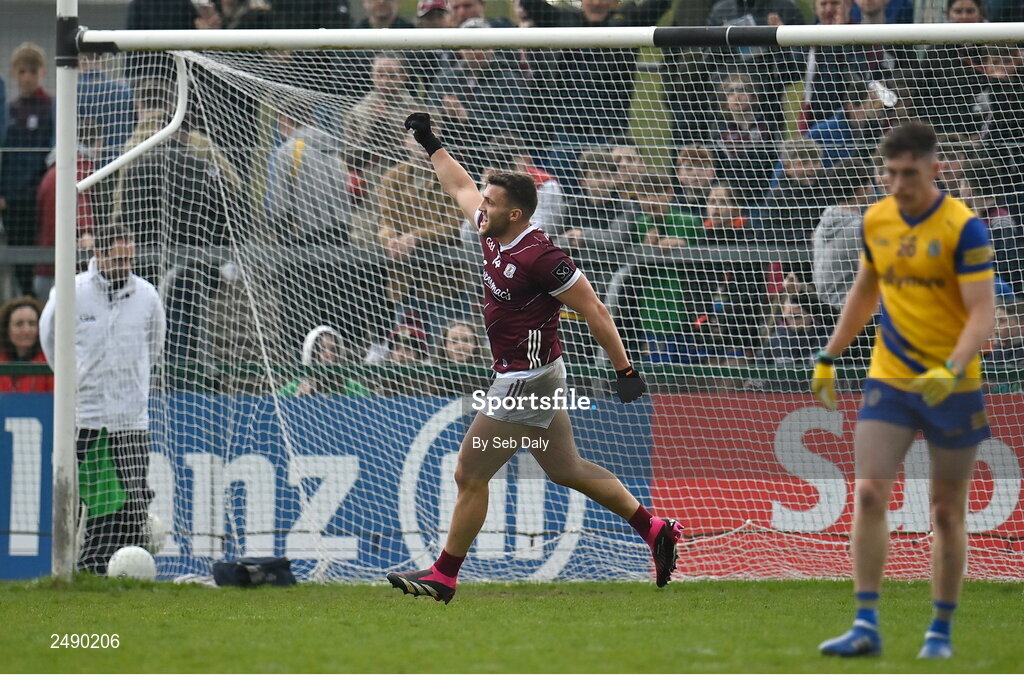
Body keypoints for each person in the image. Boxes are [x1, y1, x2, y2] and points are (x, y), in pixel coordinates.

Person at [387, 112, 681, 603]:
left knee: (469, 473)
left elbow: (595, 310)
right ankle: (654, 529)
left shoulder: (541, 256)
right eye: (485, 198)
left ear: (517, 214)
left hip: (527, 378)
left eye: (492, 201)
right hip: (534, 372)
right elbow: (459, 186)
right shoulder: (490, 227)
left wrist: (625, 369)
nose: (481, 206)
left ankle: (444, 574)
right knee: (566, 469)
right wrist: (430, 143)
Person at [812, 120, 996, 659]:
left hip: (952, 385)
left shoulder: (964, 228)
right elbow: (866, 291)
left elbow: (983, 314)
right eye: (889, 172)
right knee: (869, 493)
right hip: (889, 376)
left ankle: (939, 631)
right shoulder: (877, 220)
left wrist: (953, 367)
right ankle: (865, 623)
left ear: (934, 169)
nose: (897, 183)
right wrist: (829, 355)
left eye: (908, 173)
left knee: (945, 511)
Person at [40, 226, 167, 574]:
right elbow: (49, 338)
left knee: (132, 497)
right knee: (83, 500)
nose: (124, 264)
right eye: (118, 257)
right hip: (84, 417)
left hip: (130, 419)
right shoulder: (72, 291)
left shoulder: (147, 295)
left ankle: (123, 568)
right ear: (100, 254)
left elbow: (155, 344)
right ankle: (83, 565)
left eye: (129, 258)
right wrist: (73, 382)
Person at [1, 43, 54, 298]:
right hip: (13, 199)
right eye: (22, 72)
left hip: (39, 198)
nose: (27, 78)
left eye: (32, 71)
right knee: (18, 257)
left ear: (42, 72)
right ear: (14, 72)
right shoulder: (9, 111)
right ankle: (24, 305)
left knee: (42, 256)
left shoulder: (51, 108)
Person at [278, 325, 371, 396]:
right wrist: (296, 399)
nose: (328, 355)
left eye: (333, 350)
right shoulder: (293, 388)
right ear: (311, 353)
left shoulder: (353, 388)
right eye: (322, 349)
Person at [0, 296, 52, 393]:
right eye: (19, 324)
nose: (26, 330)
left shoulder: (50, 360)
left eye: (32, 323)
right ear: (7, 329)